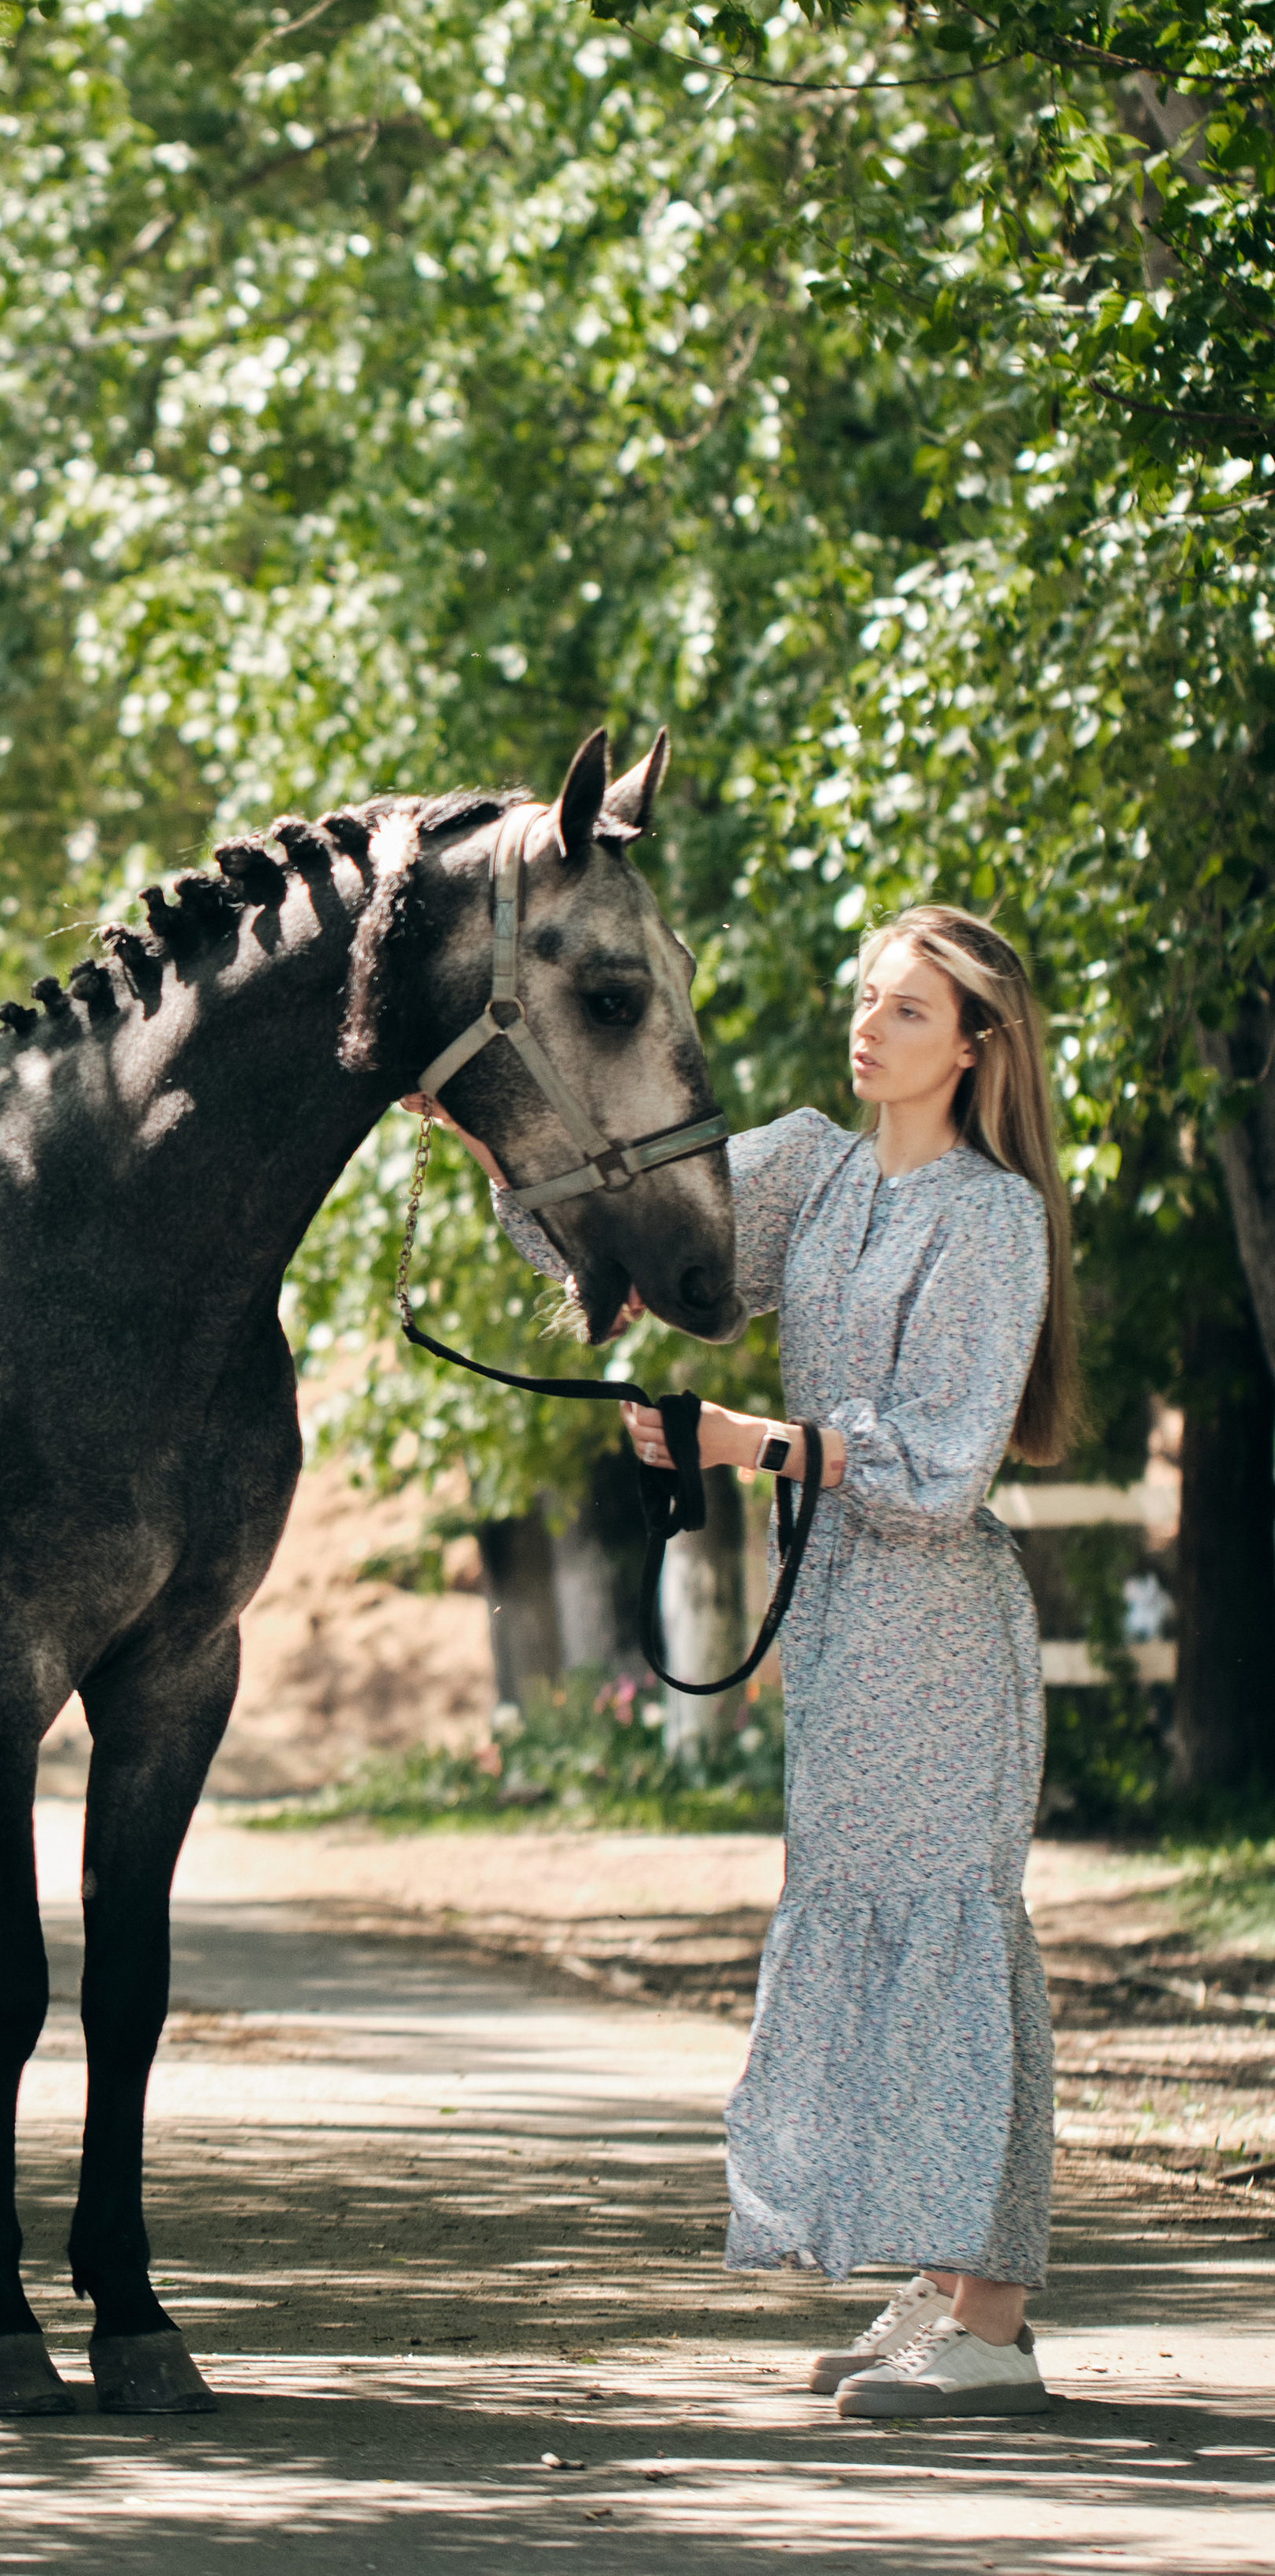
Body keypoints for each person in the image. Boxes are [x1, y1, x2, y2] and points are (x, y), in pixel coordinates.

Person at [423, 903, 1079, 2420]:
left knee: (951, 1936)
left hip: (938, 1626)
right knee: (869, 1927)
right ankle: (943, 2285)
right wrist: (486, 1133)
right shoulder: (811, 1171)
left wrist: (749, 1445)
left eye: (908, 1011)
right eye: (867, 996)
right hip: (843, 1617)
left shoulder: (990, 1219)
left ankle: (994, 2322)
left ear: (975, 1047)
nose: (869, 1025)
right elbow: (634, 1234)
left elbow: (944, 1468)